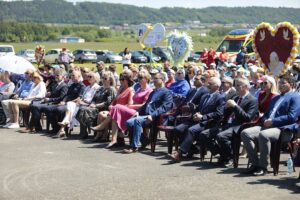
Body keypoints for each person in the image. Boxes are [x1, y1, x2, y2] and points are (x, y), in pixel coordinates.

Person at [241, 75, 300, 176]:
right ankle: (255, 164)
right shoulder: (275, 98)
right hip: (267, 125)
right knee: (245, 133)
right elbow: (267, 113)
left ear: (291, 84)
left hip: (283, 129)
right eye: (279, 83)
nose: (280, 85)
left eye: (283, 83)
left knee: (264, 135)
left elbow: (292, 117)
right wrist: (265, 120)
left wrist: (273, 121)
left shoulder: (296, 97)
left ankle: (263, 167)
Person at [92, 70, 152, 148]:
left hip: (138, 112)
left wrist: (130, 106)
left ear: (146, 79)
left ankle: (102, 126)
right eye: (138, 78)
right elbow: (129, 101)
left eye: (141, 78)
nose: (139, 80)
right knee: (115, 112)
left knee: (117, 107)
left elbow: (144, 105)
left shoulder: (149, 90)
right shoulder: (138, 89)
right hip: (131, 110)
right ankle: (113, 139)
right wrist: (128, 105)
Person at [170, 77, 225, 161]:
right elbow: (198, 108)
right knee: (178, 129)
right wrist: (195, 114)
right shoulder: (204, 96)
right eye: (208, 83)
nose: (208, 85)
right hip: (196, 119)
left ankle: (179, 153)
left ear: (217, 86)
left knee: (191, 130)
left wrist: (203, 117)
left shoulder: (220, 98)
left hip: (208, 122)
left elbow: (219, 113)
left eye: (210, 84)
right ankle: (193, 149)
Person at [124, 72, 173, 153]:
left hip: (156, 117)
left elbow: (165, 107)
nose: (153, 80)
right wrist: (138, 112)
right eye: (153, 78)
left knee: (137, 121)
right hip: (146, 115)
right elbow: (146, 104)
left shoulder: (167, 92)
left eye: (156, 79)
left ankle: (134, 147)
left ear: (163, 80)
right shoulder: (153, 92)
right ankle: (145, 141)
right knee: (128, 122)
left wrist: (152, 115)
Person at [21, 69, 68, 133]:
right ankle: (36, 126)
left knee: (39, 107)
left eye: (58, 75)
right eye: (55, 75)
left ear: (63, 77)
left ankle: (32, 127)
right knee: (34, 106)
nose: (56, 77)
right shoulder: (54, 84)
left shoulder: (64, 86)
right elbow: (49, 92)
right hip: (48, 101)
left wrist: (50, 99)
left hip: (55, 103)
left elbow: (61, 97)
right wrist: (48, 93)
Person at [55, 72, 101, 138]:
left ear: (95, 78)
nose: (88, 78)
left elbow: (94, 99)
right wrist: (79, 101)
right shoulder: (87, 87)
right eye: (88, 77)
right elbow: (82, 97)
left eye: (90, 77)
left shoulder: (97, 87)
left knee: (74, 108)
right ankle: (65, 124)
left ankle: (63, 127)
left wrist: (83, 102)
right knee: (69, 103)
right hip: (82, 103)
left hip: (89, 105)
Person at [76, 71, 116, 141]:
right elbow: (94, 99)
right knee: (82, 109)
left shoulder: (111, 89)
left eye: (105, 78)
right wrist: (92, 103)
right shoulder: (100, 88)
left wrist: (96, 105)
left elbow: (108, 102)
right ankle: (85, 132)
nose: (103, 80)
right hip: (95, 107)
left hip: (104, 108)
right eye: (102, 78)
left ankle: (97, 133)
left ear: (110, 80)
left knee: (84, 110)